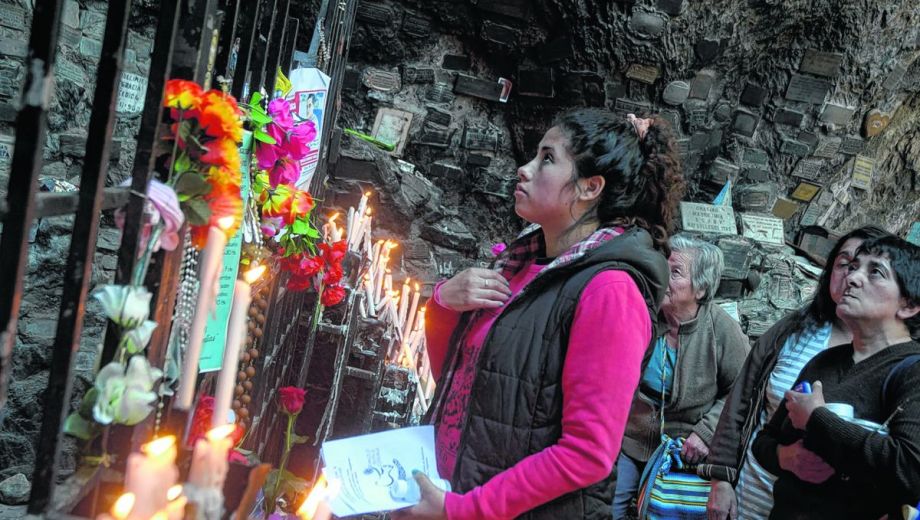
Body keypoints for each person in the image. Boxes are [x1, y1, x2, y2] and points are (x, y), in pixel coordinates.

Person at [391, 108, 685, 519]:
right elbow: (467, 389)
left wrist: (464, 510)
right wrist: (442, 305)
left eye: (547, 158)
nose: (524, 170)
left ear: (590, 187)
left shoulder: (611, 291)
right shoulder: (521, 267)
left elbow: (587, 454)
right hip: (460, 486)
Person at [699, 226, 890, 520]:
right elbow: (741, 399)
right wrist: (721, 479)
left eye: (868, 269)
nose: (852, 276)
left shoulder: (895, 365)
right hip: (750, 498)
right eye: (845, 264)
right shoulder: (795, 330)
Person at [751, 235, 920, 519]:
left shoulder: (912, 371)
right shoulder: (823, 363)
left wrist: (817, 419)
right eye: (853, 267)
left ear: (909, 305)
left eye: (875, 272)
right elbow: (764, 440)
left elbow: (910, 471)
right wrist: (786, 457)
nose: (853, 278)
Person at [612, 235, 750, 519]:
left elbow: (741, 391)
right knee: (606, 507)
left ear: (700, 289)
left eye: (675, 272)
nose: (663, 276)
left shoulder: (723, 331)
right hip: (630, 440)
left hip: (684, 451)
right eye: (663, 266)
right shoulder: (644, 314)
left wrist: (705, 433)